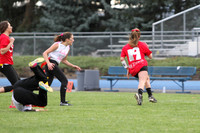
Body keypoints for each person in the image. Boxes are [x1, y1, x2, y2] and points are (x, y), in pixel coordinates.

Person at [43, 32, 81, 106]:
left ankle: (38, 98)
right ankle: (62, 102)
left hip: (54, 64)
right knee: (64, 81)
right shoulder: (57, 45)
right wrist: (48, 63)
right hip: (51, 63)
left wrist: (73, 66)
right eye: (72, 39)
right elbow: (45, 53)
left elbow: (64, 60)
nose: (73, 40)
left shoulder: (68, 48)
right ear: (67, 39)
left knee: (47, 84)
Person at [120, 28, 157, 105]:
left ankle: (150, 96)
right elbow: (150, 56)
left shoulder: (125, 47)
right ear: (139, 36)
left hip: (133, 69)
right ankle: (139, 95)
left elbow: (122, 59)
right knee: (142, 81)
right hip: (141, 65)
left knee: (146, 79)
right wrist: (147, 47)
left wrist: (127, 68)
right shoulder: (142, 44)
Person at [0, 21, 20, 108]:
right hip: (4, 64)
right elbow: (2, 51)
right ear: (6, 28)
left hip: (7, 63)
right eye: (10, 25)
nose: (11, 27)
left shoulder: (6, 37)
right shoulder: (4, 37)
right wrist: (11, 42)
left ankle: (13, 104)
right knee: (17, 84)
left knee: (18, 83)